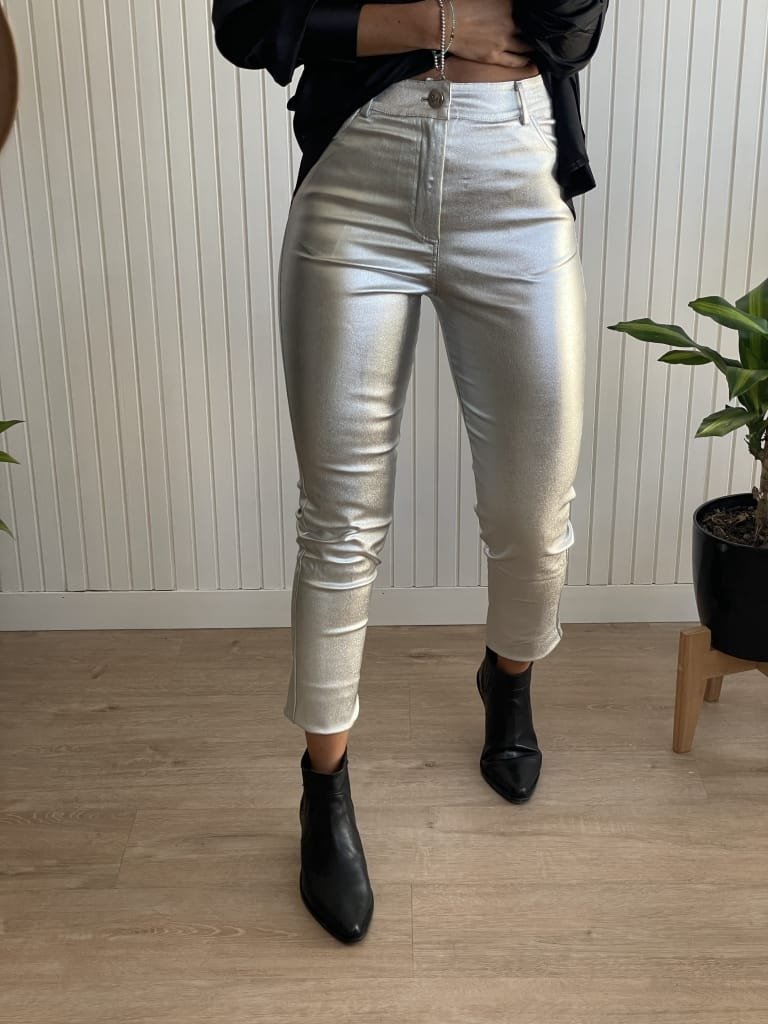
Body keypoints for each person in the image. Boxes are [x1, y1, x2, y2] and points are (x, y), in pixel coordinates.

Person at [211, 0, 609, 944]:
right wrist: (439, 23)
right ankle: (324, 789)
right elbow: (248, 22)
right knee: (339, 520)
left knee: (532, 512)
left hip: (515, 168)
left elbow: (571, 28)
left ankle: (508, 679)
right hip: (361, 171)